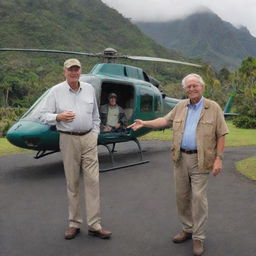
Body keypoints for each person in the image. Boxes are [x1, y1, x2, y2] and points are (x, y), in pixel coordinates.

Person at [128, 73, 228, 256]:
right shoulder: (181, 106)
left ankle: (198, 237)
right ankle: (188, 228)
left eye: (194, 86)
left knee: (198, 199)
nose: (191, 89)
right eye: (188, 87)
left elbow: (221, 133)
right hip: (180, 158)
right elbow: (164, 121)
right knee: (181, 197)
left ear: (202, 87)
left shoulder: (213, 107)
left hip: (201, 160)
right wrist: (145, 123)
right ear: (185, 89)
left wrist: (219, 158)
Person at [40, 58, 112, 240]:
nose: (74, 72)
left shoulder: (88, 89)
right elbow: (42, 115)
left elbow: (96, 116)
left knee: (93, 182)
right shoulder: (56, 91)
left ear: (80, 71)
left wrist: (94, 134)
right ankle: (74, 223)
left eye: (76, 69)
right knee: (72, 182)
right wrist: (58, 116)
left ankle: (95, 225)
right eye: (70, 70)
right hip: (68, 139)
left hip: (88, 139)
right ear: (64, 72)